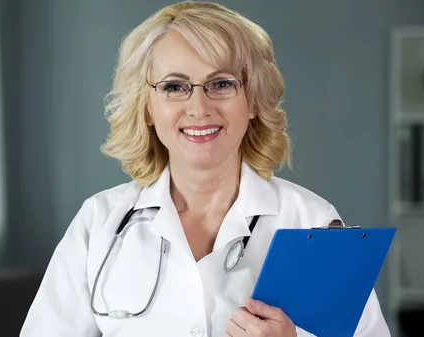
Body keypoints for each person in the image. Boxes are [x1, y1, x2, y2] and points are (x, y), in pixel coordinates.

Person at [19, 1, 390, 336]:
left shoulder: (313, 221)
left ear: (254, 101)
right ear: (146, 107)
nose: (199, 107)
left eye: (222, 83)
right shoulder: (98, 223)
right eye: (174, 87)